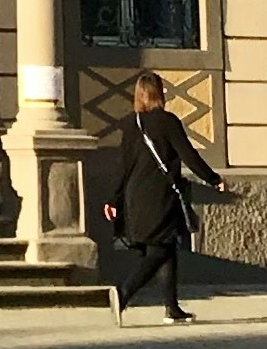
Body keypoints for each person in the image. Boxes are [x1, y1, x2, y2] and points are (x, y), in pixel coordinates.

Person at [97, 68, 230, 325]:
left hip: (135, 195)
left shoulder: (131, 124)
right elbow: (189, 155)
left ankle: (172, 308)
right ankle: (123, 294)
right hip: (159, 196)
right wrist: (213, 179)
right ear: (160, 93)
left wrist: (113, 199)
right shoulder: (168, 122)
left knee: (166, 248)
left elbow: (123, 166)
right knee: (158, 251)